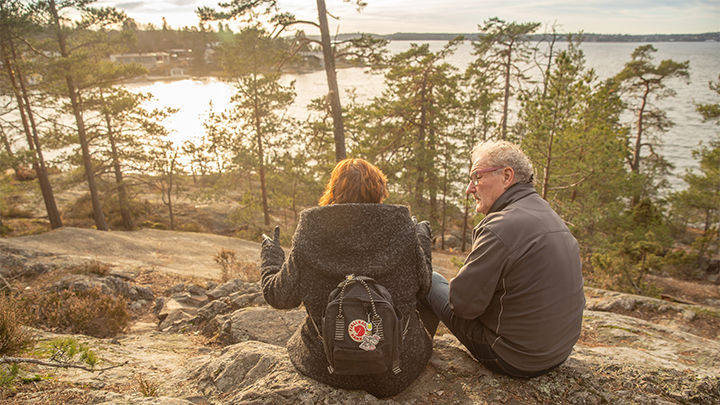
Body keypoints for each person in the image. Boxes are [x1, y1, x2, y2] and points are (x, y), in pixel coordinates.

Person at [260, 158, 437, 398]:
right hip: (398, 368)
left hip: (326, 366)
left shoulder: (310, 230)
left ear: (333, 190)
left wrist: (271, 255)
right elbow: (425, 286)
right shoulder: (402, 228)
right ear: (380, 190)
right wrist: (421, 239)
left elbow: (279, 297)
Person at [425, 140, 585, 378]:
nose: (469, 189)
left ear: (507, 176)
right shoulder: (550, 216)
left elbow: (462, 305)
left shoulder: (500, 225)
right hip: (558, 354)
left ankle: (414, 350)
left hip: (513, 358)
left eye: (477, 176)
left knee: (431, 279)